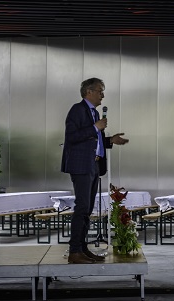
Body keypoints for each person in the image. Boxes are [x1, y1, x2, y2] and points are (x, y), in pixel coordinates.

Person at [62, 78, 129, 264]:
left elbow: (93, 141)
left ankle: (82, 249)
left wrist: (109, 141)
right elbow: (71, 137)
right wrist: (95, 127)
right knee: (82, 207)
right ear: (89, 92)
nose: (103, 95)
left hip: (93, 165)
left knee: (88, 209)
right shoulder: (78, 110)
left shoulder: (94, 112)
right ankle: (74, 251)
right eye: (100, 91)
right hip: (81, 166)